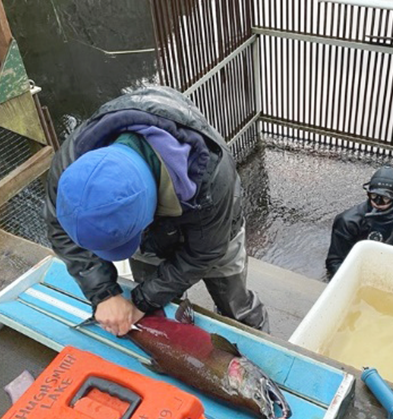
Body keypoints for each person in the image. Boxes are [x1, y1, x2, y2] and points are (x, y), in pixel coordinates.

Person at [45, 86, 268, 336]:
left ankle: (255, 330)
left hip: (216, 229)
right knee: (157, 307)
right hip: (152, 237)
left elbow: (205, 252)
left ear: (151, 212)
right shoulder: (71, 162)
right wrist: (104, 294)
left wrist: (141, 301)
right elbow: (59, 227)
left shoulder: (211, 175)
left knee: (234, 301)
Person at [325, 165, 393, 281]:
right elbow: (335, 261)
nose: (378, 202)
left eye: (385, 198)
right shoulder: (349, 221)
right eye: (374, 196)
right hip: (360, 267)